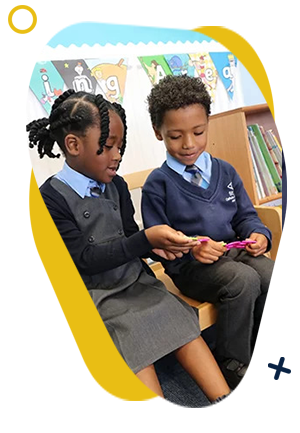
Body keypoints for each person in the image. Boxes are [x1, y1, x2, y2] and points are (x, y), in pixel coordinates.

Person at [26, 89, 243, 408]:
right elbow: (83, 261)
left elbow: (129, 236)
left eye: (121, 146)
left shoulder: (116, 185)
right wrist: (146, 241)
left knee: (170, 310)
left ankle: (227, 402)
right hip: (84, 294)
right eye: (109, 146)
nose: (117, 155)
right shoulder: (50, 199)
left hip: (130, 280)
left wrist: (169, 247)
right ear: (73, 145)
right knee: (130, 331)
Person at [142, 75, 282, 400]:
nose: (189, 144)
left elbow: (246, 216)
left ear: (208, 123)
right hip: (191, 269)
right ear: (158, 132)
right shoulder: (157, 185)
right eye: (175, 136)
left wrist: (258, 234)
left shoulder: (226, 171)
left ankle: (270, 342)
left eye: (198, 132)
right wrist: (192, 249)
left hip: (233, 252)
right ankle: (232, 359)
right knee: (242, 281)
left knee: (272, 274)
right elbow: (158, 245)